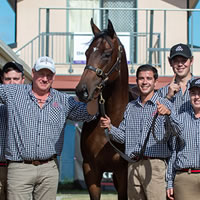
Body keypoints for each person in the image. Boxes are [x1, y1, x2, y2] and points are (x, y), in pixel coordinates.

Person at [0, 56, 98, 200]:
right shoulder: (13, 93)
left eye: (49, 75)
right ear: (33, 73)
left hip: (49, 168)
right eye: (41, 74)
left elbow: (88, 114)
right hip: (20, 168)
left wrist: (94, 97)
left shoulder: (63, 100)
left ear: (54, 77)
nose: (45, 79)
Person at [100, 64, 182, 200]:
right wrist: (110, 127)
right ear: (136, 81)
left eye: (149, 78)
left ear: (155, 82)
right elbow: (123, 137)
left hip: (155, 165)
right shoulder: (130, 107)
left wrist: (168, 114)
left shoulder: (165, 104)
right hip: (133, 165)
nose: (145, 82)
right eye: (141, 78)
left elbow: (178, 131)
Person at [167, 78, 200, 200]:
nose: (197, 97)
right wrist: (170, 181)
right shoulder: (179, 119)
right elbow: (173, 151)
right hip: (185, 178)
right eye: (193, 93)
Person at [0, 61, 25, 200]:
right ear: (2, 80)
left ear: (23, 80)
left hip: (21, 169)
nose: (12, 83)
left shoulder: (32, 104)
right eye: (8, 79)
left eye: (16, 79)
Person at [158, 43, 195, 114]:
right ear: (170, 62)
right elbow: (154, 118)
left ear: (191, 60)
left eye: (184, 60)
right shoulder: (162, 92)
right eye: (176, 61)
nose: (180, 64)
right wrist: (168, 97)